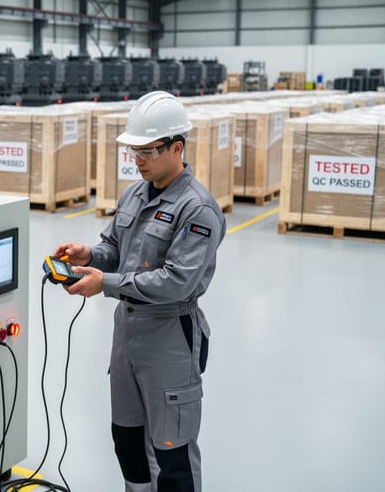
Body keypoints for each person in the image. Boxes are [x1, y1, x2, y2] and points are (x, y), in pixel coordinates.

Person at [52, 91, 225, 492]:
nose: (137, 159)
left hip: (169, 337)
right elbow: (114, 249)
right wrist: (88, 254)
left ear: (176, 147)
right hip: (127, 336)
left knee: (171, 453)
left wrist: (104, 283)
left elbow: (175, 281)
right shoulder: (134, 193)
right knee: (127, 441)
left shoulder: (197, 209)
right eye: (133, 150)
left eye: (146, 150)